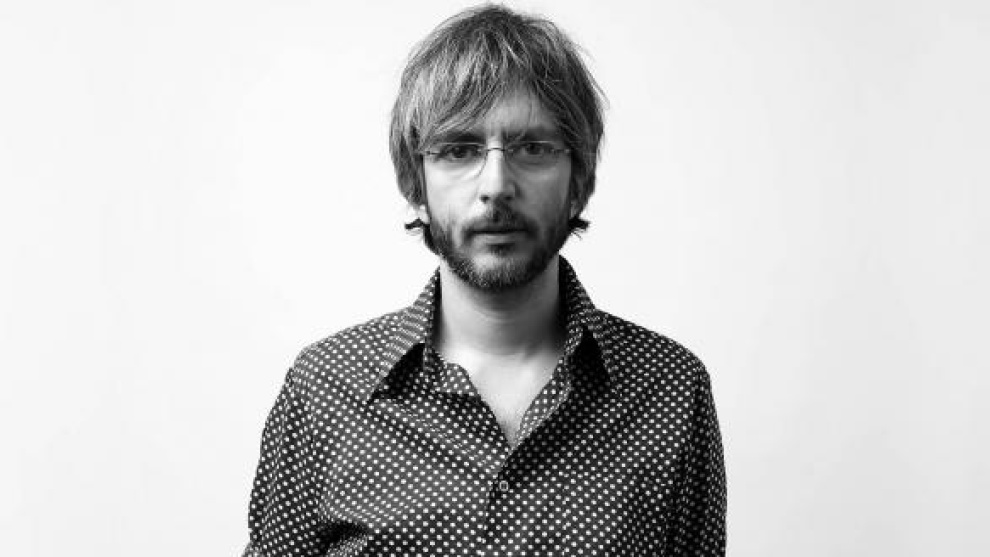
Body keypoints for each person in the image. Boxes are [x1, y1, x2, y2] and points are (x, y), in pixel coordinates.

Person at [244, 5, 726, 556]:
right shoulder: (324, 390)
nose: (496, 185)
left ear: (578, 181)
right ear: (417, 186)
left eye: (533, 148)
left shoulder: (671, 390)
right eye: (459, 150)